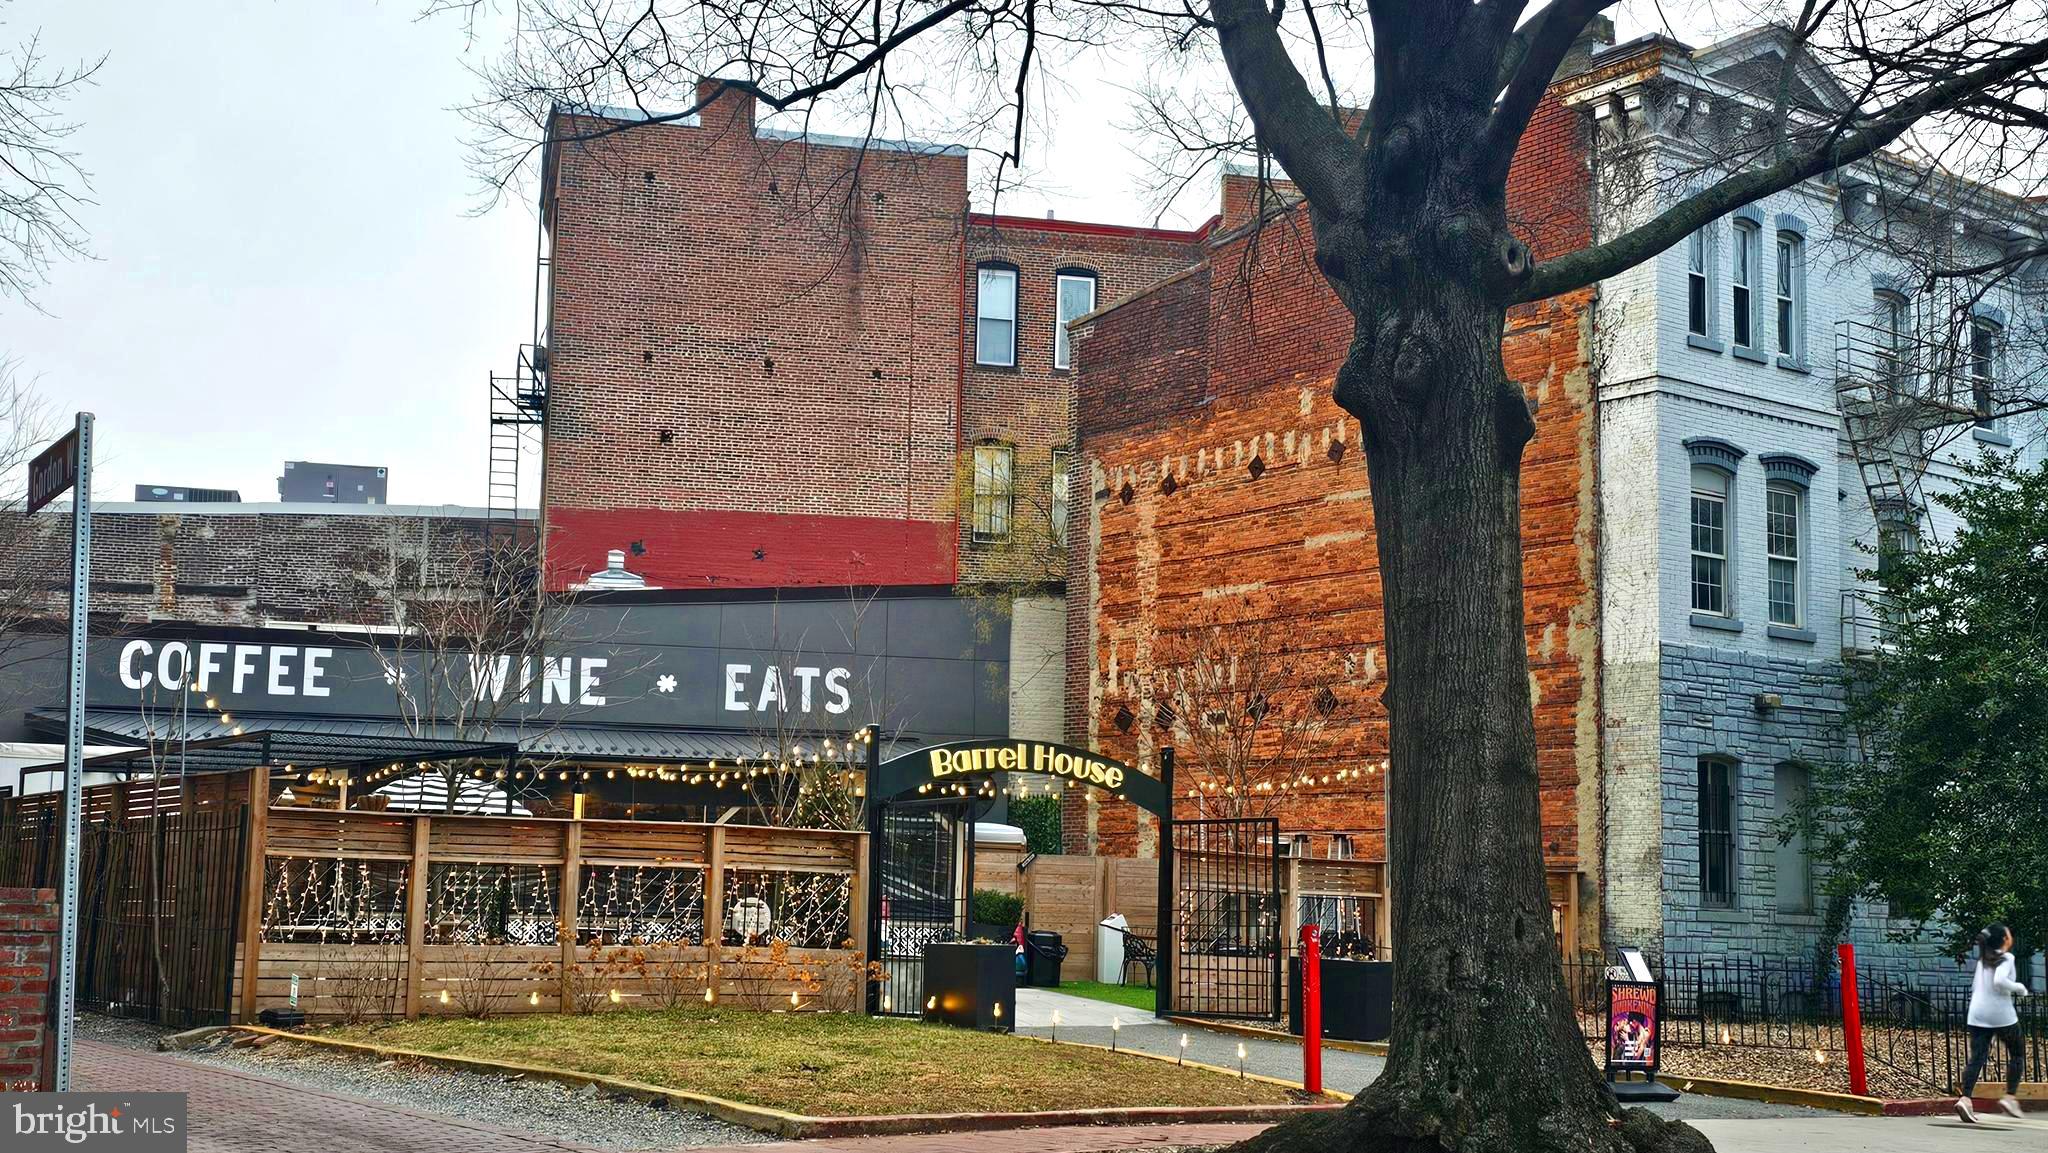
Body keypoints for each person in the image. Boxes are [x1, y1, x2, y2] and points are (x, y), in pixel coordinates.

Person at [1957, 923, 2029, 1123]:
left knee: (1977, 1057)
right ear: (2005, 940)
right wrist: (2020, 988)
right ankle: (2010, 1097)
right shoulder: (2006, 957)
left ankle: (1965, 1098)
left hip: (1977, 1014)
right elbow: (1999, 982)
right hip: (2001, 1015)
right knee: (2017, 1053)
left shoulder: (1983, 959)